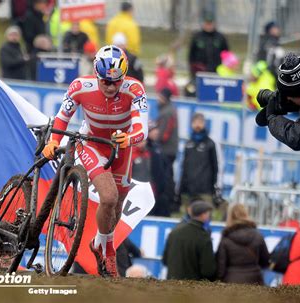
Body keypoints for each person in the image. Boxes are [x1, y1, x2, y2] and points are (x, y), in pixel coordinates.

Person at [42, 45, 148, 278]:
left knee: (117, 206)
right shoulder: (80, 86)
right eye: (105, 82)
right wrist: (53, 141)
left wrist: (128, 138)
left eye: (116, 82)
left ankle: (101, 243)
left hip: (121, 147)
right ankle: (108, 253)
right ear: (96, 74)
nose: (111, 87)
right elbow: (62, 117)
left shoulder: (135, 89)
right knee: (108, 197)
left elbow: (143, 129)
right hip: (92, 143)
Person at [163, 200, 217, 280]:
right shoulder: (203, 236)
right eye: (208, 213)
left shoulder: (174, 232)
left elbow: (165, 260)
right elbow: (208, 270)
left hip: (171, 284)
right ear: (203, 215)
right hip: (192, 287)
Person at [216, 203, 270, 284]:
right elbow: (265, 261)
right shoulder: (257, 235)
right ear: (246, 214)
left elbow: (221, 267)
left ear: (230, 217)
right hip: (255, 280)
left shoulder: (226, 238)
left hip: (232, 281)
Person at [179, 113, 218, 209]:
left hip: (205, 190)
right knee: (187, 217)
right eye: (195, 122)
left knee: (205, 216)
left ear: (204, 124)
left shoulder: (210, 144)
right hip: (189, 190)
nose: (197, 125)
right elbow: (184, 166)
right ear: (191, 124)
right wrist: (181, 188)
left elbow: (215, 166)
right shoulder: (188, 143)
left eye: (200, 122)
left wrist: (213, 187)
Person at [156, 88, 179, 215]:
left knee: (166, 178)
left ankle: (169, 202)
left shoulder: (167, 112)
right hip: (168, 150)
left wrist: (155, 136)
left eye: (160, 96)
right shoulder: (167, 110)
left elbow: (164, 134)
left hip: (167, 151)